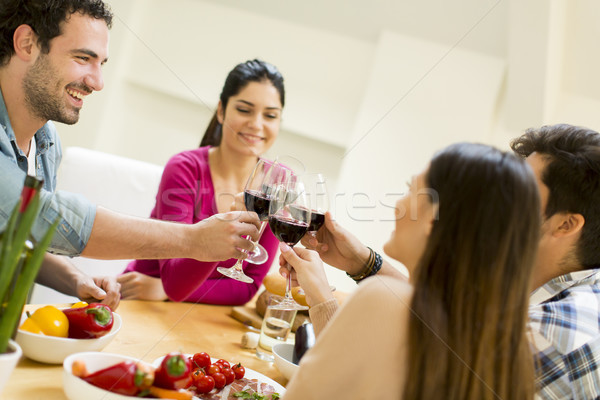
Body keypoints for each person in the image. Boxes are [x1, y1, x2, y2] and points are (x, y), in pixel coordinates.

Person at [298, 124, 600, 398]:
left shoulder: (547, 334)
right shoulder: (524, 299)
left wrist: (323, 301)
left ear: (565, 225)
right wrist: (365, 264)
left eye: (522, 193)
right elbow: (443, 335)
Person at [0, 0, 260, 310]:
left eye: (101, 64)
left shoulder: (46, 143)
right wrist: (195, 240)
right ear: (27, 44)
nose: (97, 82)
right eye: (83, 58)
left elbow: (16, 237)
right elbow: (47, 216)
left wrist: (74, 280)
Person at [119, 60, 284, 304]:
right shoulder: (185, 168)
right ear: (221, 110)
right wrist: (168, 290)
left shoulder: (277, 182)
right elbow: (174, 280)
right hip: (139, 301)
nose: (256, 124)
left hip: (187, 310)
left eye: (270, 115)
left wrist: (163, 292)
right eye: (244, 110)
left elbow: (246, 289)